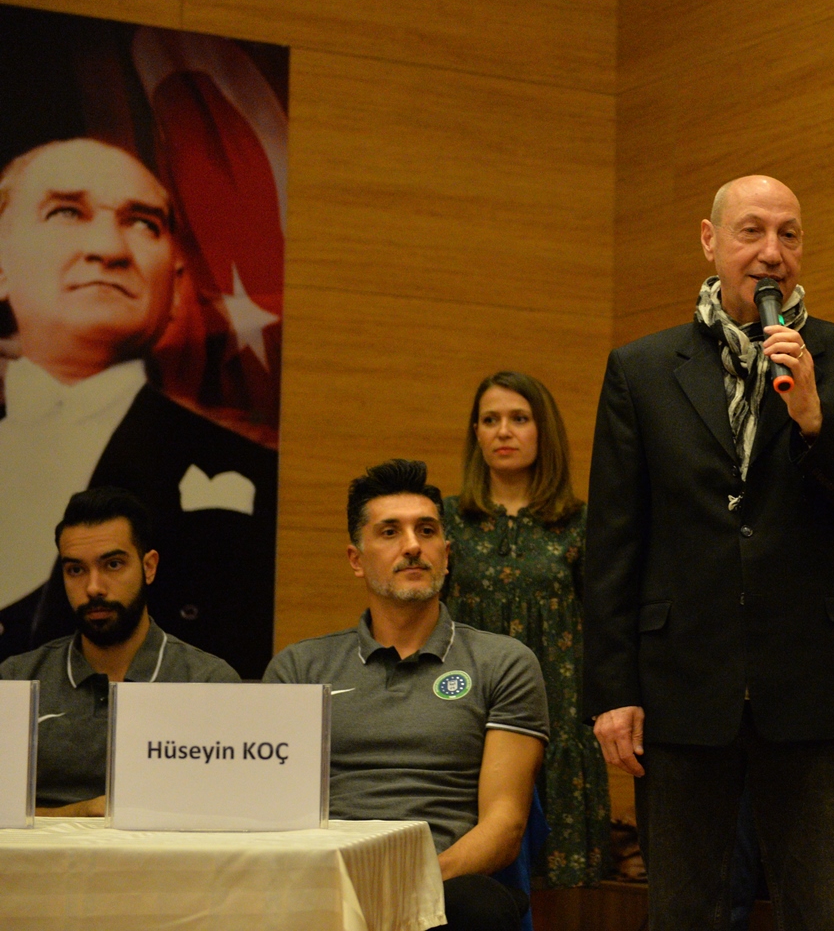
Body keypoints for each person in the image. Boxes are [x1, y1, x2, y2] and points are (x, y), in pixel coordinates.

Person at [584, 175, 834, 930]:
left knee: (821, 912)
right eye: (752, 232)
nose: (772, 253)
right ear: (710, 242)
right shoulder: (642, 370)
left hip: (814, 685)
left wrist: (816, 421)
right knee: (684, 913)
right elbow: (612, 541)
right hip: (681, 687)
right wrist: (612, 689)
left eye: (789, 235)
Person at [0, 138, 277, 677]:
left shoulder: (252, 476)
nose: (109, 248)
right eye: (66, 212)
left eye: (143, 223)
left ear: (175, 285)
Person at [263, 459, 548, 931]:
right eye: (390, 532)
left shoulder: (503, 662)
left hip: (443, 885)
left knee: (480, 907)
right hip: (323, 879)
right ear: (356, 559)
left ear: (446, 554)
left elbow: (505, 827)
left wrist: (405, 884)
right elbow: (272, 812)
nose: (413, 546)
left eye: (427, 531)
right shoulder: (300, 669)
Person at [442, 371, 613, 888]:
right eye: (490, 420)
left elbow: (605, 621)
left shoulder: (580, 522)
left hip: (557, 708)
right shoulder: (446, 521)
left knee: (554, 882)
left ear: (544, 431)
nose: (503, 431)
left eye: (519, 419)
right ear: (475, 433)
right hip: (469, 706)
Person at [0, 486, 239, 816]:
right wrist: (80, 813)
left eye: (113, 564)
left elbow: (230, 813)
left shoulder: (207, 682)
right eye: (76, 570)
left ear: (149, 567)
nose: (93, 587)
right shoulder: (17, 680)